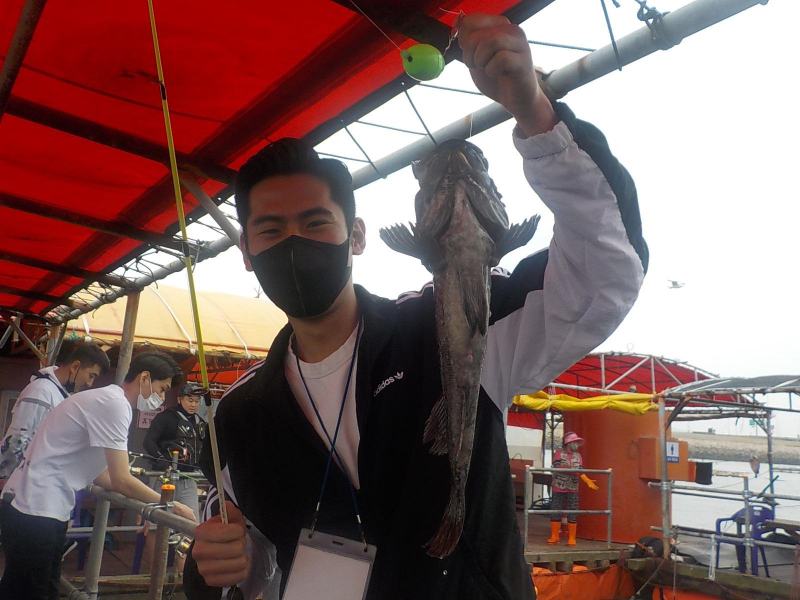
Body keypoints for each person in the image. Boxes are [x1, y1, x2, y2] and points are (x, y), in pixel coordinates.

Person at [187, 13, 648, 600]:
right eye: (271, 230)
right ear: (248, 254)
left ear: (356, 236)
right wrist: (216, 566)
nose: (295, 244)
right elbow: (241, 556)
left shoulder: (457, 323)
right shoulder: (234, 417)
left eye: (316, 223)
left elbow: (605, 270)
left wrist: (535, 111)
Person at [0, 352, 197, 600]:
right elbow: (121, 479)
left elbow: (104, 475)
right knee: (32, 591)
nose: (161, 398)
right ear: (144, 378)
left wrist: (150, 500)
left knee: (33, 588)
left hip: (35, 507)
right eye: (162, 389)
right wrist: (170, 505)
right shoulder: (115, 405)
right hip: (36, 510)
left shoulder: (107, 399)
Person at [0, 343, 111, 479]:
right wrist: (11, 478)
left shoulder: (57, 392)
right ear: (75, 367)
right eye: (91, 375)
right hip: (21, 482)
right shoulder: (42, 391)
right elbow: (16, 440)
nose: (89, 383)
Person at [143, 383, 208, 521]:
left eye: (197, 401)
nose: (193, 405)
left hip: (189, 479)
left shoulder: (201, 423)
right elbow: (149, 441)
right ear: (179, 399)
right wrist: (161, 460)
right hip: (164, 477)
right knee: (157, 521)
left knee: (192, 523)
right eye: (190, 400)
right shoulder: (166, 417)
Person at [547, 432, 598, 547]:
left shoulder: (578, 456)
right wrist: (572, 470)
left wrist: (586, 480)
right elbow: (556, 466)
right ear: (568, 443)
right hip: (559, 486)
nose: (577, 445)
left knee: (573, 511)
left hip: (573, 487)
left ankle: (571, 537)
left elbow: (580, 469)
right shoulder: (558, 453)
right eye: (575, 442)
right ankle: (554, 536)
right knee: (556, 510)